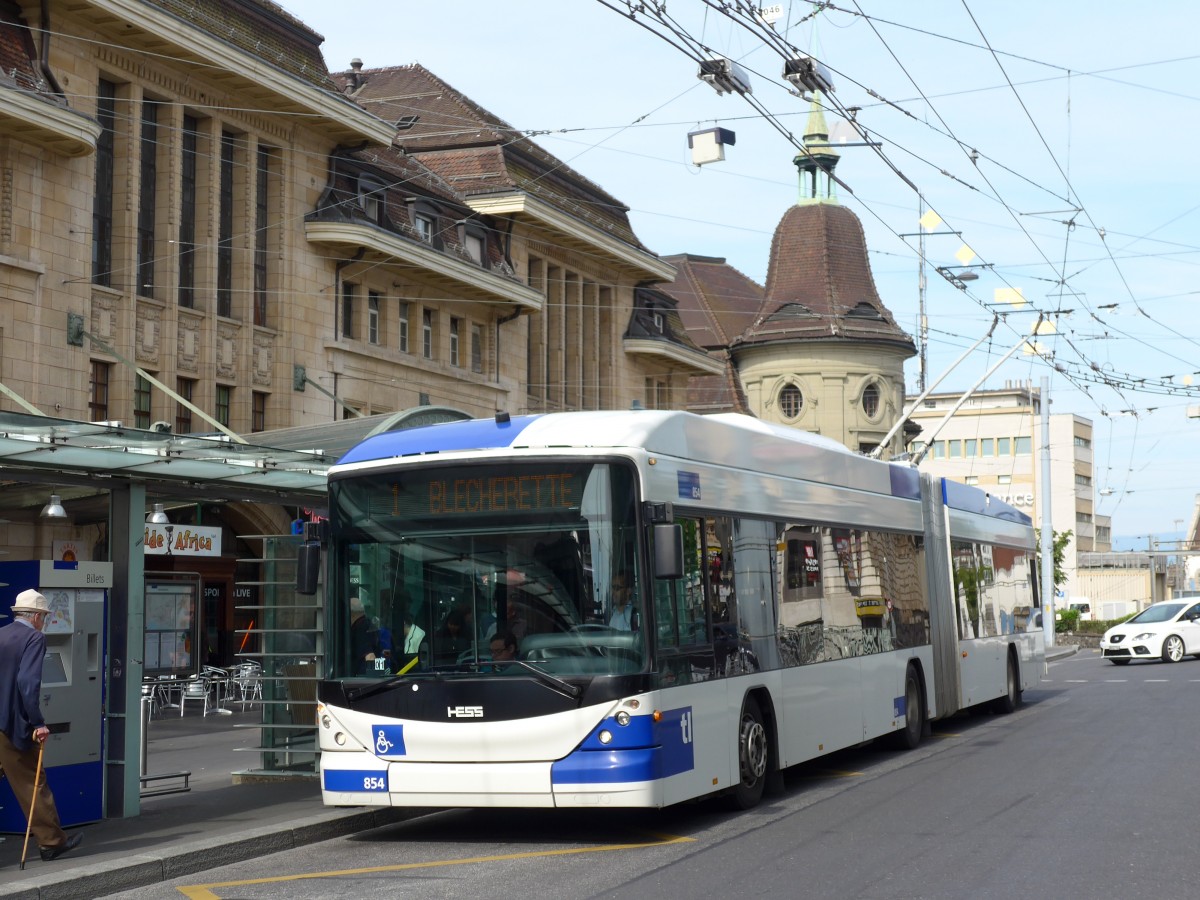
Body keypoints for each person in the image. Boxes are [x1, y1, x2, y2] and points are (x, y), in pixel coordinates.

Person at [0, 590, 83, 861]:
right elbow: (27, 683)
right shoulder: (33, 638)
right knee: (32, 783)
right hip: (12, 726)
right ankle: (51, 842)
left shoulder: (1, 635)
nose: (44, 622)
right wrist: (38, 722)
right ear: (36, 617)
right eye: (44, 617)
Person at [349, 596, 379, 674]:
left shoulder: (360, 629)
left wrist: (372, 683)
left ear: (351, 614)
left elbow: (370, 657)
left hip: (364, 679)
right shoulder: (370, 625)